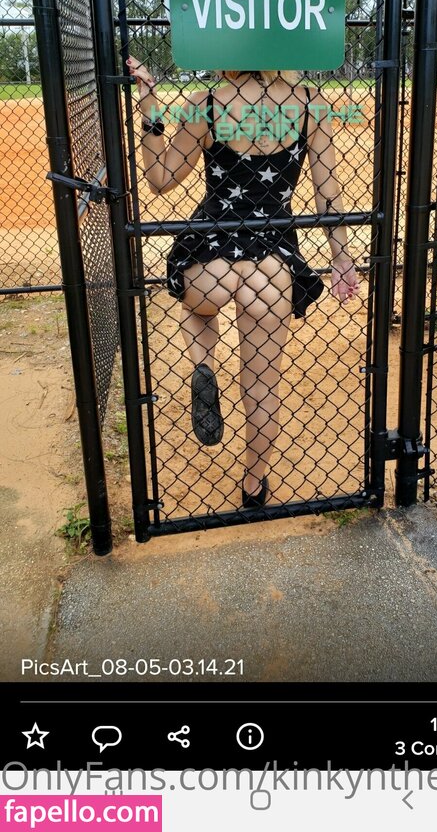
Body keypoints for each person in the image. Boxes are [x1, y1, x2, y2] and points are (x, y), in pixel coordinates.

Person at [129, 57, 360, 508]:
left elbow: (160, 180)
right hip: (271, 266)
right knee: (262, 386)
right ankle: (253, 485)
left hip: (209, 258)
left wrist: (149, 101)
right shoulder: (311, 104)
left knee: (197, 309)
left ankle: (203, 362)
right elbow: (327, 193)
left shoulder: (206, 104)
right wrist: (341, 258)